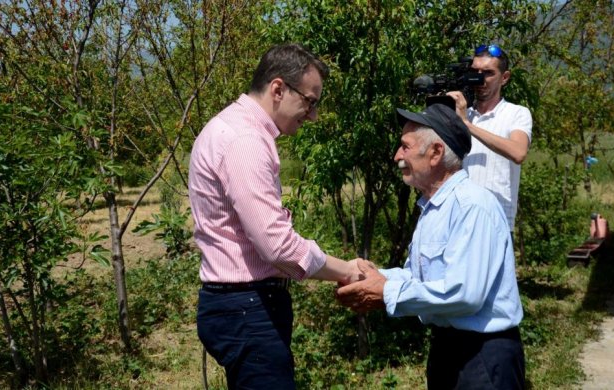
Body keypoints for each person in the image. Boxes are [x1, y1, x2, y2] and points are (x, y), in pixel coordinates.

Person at [188, 43, 363, 390]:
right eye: (310, 102)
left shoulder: (236, 130)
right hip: (247, 308)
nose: (312, 115)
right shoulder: (245, 140)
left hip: (242, 305)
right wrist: (346, 270)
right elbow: (276, 245)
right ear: (278, 89)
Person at [336, 103, 525, 389]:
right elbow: (419, 277)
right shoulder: (432, 208)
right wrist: (374, 277)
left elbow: (464, 294)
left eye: (405, 147)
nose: (397, 156)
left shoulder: (473, 206)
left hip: (483, 355)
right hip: (447, 349)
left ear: (436, 153)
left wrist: (385, 291)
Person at [446, 44, 533, 232]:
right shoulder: (461, 113)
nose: (480, 79)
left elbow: (518, 152)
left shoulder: (516, 113)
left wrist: (467, 125)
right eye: (475, 72)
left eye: (488, 73)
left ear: (505, 78)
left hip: (496, 221)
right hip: (459, 220)